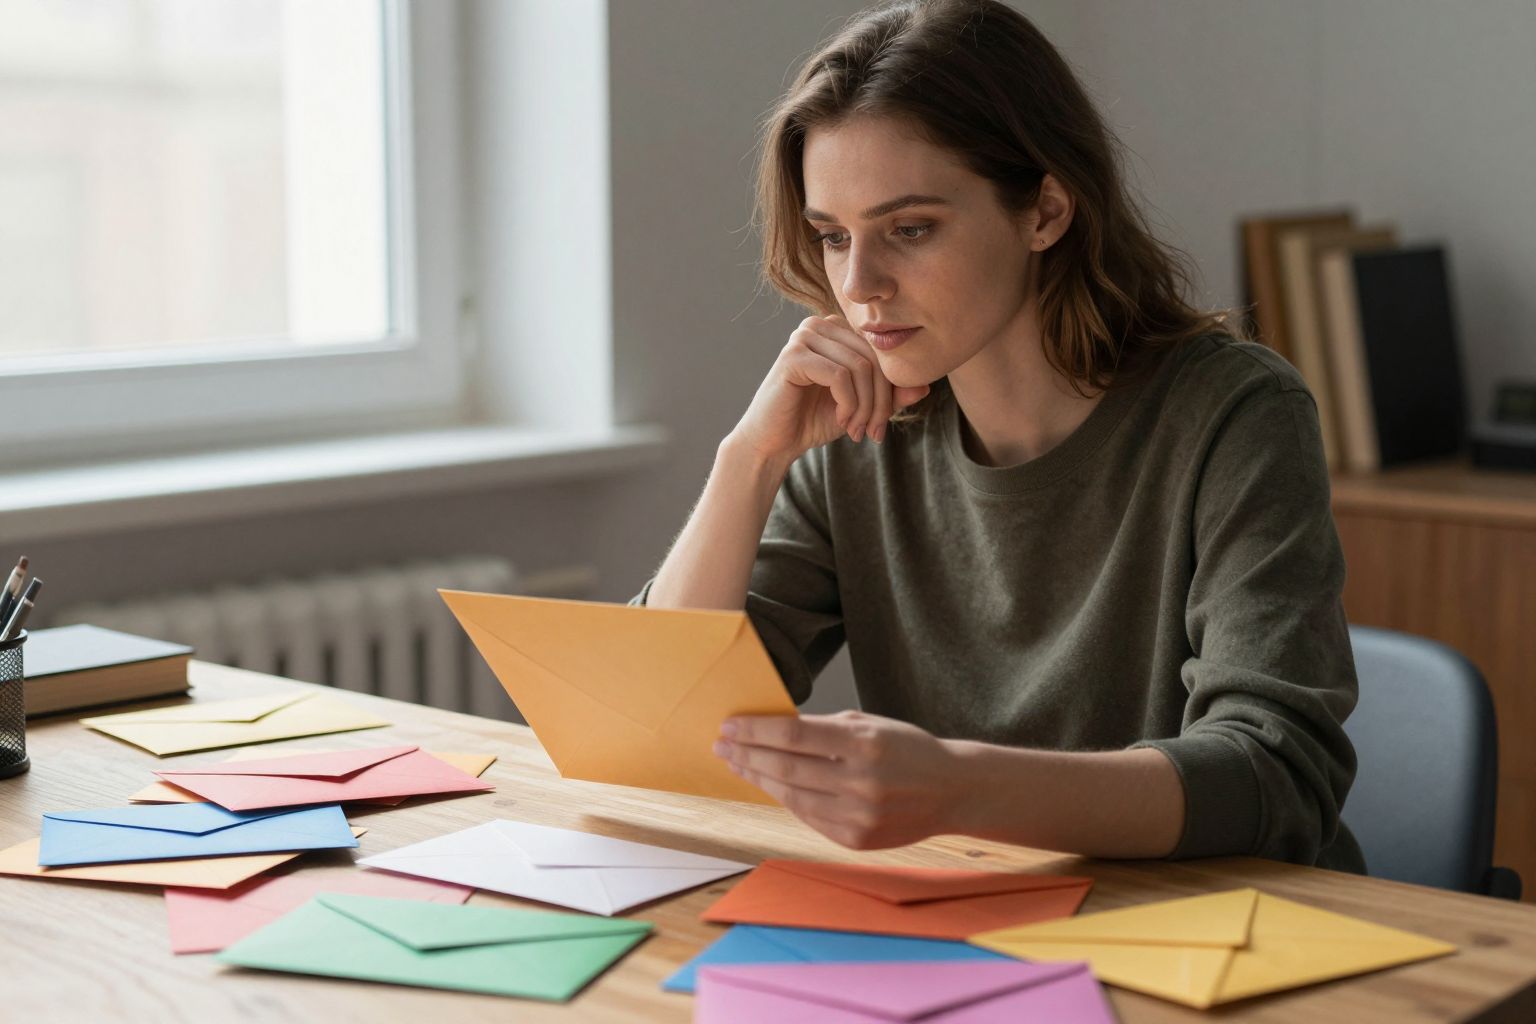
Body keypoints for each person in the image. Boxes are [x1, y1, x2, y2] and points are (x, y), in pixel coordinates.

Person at [633, 0, 1365, 873]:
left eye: (909, 229)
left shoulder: (1235, 412)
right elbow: (658, 719)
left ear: (1045, 211)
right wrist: (748, 459)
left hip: (1222, 920)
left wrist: (962, 787)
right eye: (833, 236)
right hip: (976, 910)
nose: (859, 285)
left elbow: (1276, 775)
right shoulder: (855, 432)